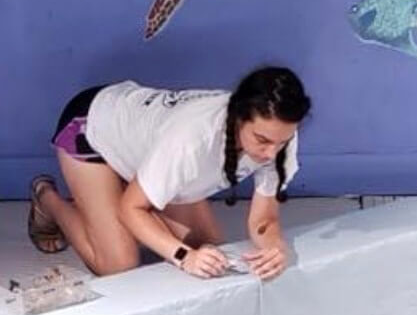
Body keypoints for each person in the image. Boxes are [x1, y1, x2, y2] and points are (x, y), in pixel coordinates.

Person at [27, 66, 311, 281]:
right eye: (262, 140)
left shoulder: (280, 134)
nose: (272, 153)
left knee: (213, 252)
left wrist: (275, 248)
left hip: (146, 146)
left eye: (282, 141)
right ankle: (47, 200)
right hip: (92, 128)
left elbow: (264, 219)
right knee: (119, 265)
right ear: (238, 118)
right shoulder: (191, 141)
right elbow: (131, 209)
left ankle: (138, 188)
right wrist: (183, 256)